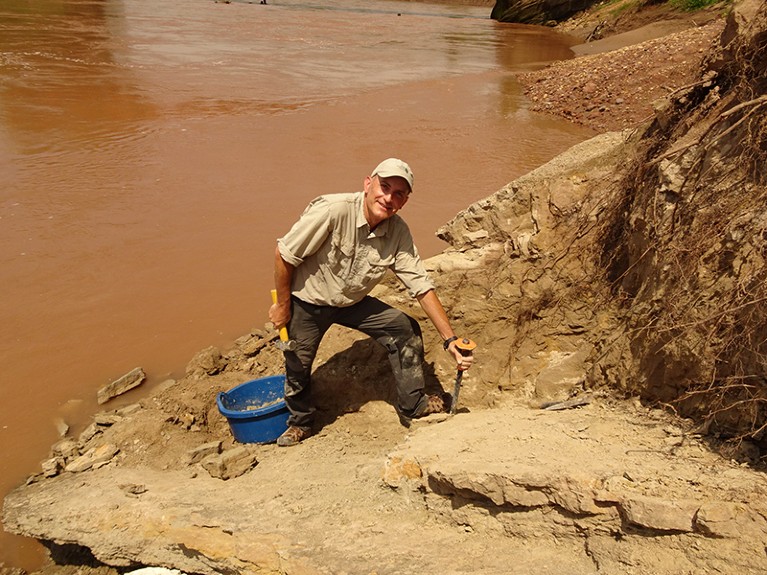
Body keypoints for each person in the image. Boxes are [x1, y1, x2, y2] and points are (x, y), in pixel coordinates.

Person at [268, 158, 474, 447]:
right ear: (368, 184)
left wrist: (450, 339)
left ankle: (413, 405)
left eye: (399, 193)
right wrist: (284, 305)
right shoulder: (333, 210)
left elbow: (421, 286)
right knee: (297, 363)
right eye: (384, 187)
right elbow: (284, 254)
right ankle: (300, 423)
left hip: (352, 302)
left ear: (404, 201)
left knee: (405, 329)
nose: (388, 198)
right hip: (309, 301)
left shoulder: (398, 231)